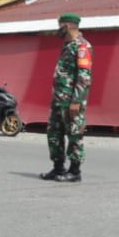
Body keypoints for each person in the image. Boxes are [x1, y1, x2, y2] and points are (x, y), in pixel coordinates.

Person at [41, 13, 93, 182]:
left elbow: (84, 77)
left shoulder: (82, 47)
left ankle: (75, 171)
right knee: (54, 133)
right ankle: (58, 168)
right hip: (58, 100)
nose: (58, 29)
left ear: (69, 26)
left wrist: (76, 101)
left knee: (74, 134)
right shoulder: (67, 45)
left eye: (60, 25)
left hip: (72, 101)